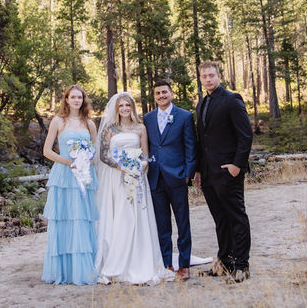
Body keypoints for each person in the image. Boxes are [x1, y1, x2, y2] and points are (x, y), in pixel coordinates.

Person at [94, 92, 173, 284]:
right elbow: (103, 154)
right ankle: (116, 261)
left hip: (136, 178)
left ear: (132, 107)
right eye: (121, 106)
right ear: (116, 108)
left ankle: (139, 260)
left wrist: (141, 167)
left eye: (127, 106)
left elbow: (145, 155)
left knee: (135, 216)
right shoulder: (110, 128)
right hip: (115, 177)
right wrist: (121, 167)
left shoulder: (140, 128)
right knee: (119, 215)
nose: (124, 109)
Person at [193, 61, 253, 282]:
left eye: (211, 75)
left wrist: (237, 165)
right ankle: (225, 263)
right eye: (204, 76)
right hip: (208, 173)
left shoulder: (232, 100)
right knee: (220, 219)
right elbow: (202, 141)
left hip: (229, 171)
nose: (208, 79)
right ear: (200, 79)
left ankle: (242, 265)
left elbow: (245, 135)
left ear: (219, 76)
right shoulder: (202, 103)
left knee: (236, 216)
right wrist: (199, 170)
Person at [41, 84, 99, 285]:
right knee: (64, 218)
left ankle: (82, 270)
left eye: (80, 97)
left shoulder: (89, 124)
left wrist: (85, 162)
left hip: (83, 175)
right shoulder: (58, 121)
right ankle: (63, 271)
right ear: (66, 99)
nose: (76, 100)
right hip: (64, 175)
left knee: (82, 219)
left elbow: (95, 153)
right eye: (72, 97)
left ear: (83, 100)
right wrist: (69, 162)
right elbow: (47, 151)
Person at [144, 78, 197, 280]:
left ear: (171, 93)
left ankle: (184, 264)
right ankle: (166, 263)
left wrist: (188, 173)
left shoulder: (184, 116)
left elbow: (190, 147)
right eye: (157, 93)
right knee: (162, 223)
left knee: (183, 222)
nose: (161, 96)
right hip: (155, 178)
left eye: (164, 92)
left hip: (177, 177)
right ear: (154, 96)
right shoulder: (148, 118)